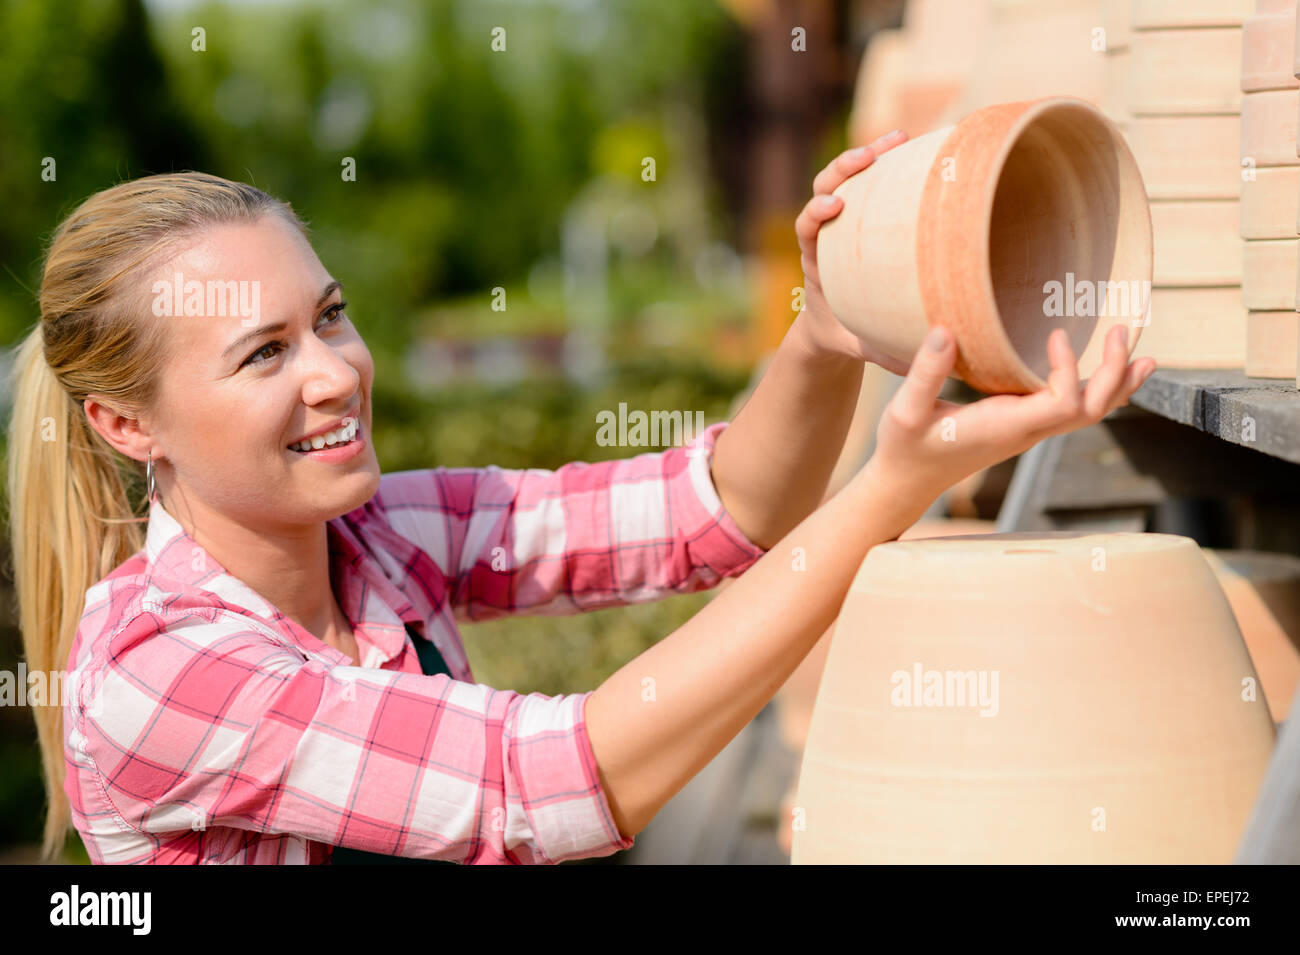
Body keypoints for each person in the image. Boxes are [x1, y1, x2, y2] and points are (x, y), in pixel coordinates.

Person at [6, 132, 1155, 864]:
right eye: (264, 354)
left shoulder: (379, 536)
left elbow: (719, 511)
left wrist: (825, 328)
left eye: (331, 315)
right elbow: (540, 782)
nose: (335, 371)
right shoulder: (158, 664)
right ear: (126, 424)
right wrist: (894, 485)